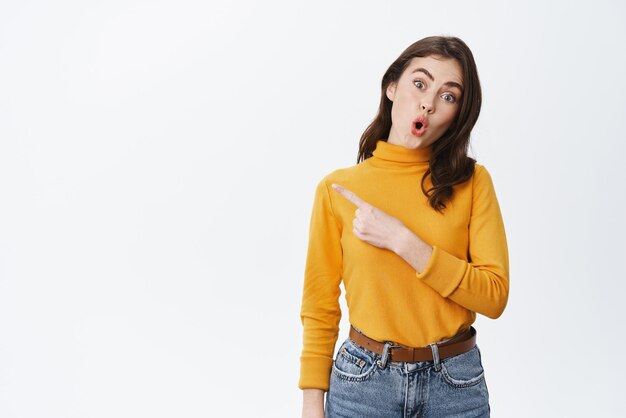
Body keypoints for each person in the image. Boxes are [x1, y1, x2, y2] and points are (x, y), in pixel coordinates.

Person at [298, 35, 509, 418]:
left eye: (449, 96)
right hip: (362, 385)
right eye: (419, 83)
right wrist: (312, 403)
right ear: (391, 86)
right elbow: (319, 307)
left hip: (455, 385)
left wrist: (404, 241)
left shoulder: (473, 183)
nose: (428, 102)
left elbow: (494, 296)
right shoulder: (337, 190)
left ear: (457, 114)